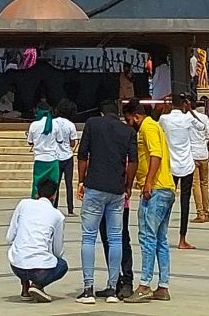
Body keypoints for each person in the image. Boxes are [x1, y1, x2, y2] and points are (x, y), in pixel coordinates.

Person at [75, 99, 137, 302]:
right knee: (116, 238)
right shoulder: (128, 131)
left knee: (89, 237)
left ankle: (88, 288)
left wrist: (81, 180)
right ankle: (112, 288)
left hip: (95, 186)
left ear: (101, 113)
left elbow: (83, 155)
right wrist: (127, 185)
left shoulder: (92, 124)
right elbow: (133, 161)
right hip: (116, 190)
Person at [132, 100, 174, 302]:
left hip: (156, 189)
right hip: (166, 187)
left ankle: (144, 284)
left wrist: (147, 182)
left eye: (129, 118)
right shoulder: (155, 126)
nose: (129, 122)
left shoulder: (147, 127)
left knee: (148, 237)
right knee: (160, 239)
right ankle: (163, 286)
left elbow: (155, 155)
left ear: (135, 116)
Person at [9, 177, 71, 302]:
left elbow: (10, 237)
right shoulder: (57, 215)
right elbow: (57, 250)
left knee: (22, 246)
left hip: (17, 265)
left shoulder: (23, 204)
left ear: (37, 192)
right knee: (62, 265)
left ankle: (25, 288)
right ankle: (37, 285)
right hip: (39, 269)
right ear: (54, 195)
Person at [158, 96, 202, 251]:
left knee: (166, 201)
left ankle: (160, 234)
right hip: (187, 165)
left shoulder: (164, 119)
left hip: (171, 165)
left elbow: (158, 125)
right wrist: (190, 110)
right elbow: (202, 127)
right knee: (185, 203)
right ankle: (182, 239)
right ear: (184, 104)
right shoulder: (188, 118)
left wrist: (165, 108)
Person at [27, 103, 77, 215]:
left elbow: (30, 141)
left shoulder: (34, 125)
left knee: (37, 184)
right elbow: (60, 140)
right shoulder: (54, 125)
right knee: (53, 184)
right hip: (53, 159)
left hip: (39, 159)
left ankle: (36, 206)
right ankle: (54, 207)